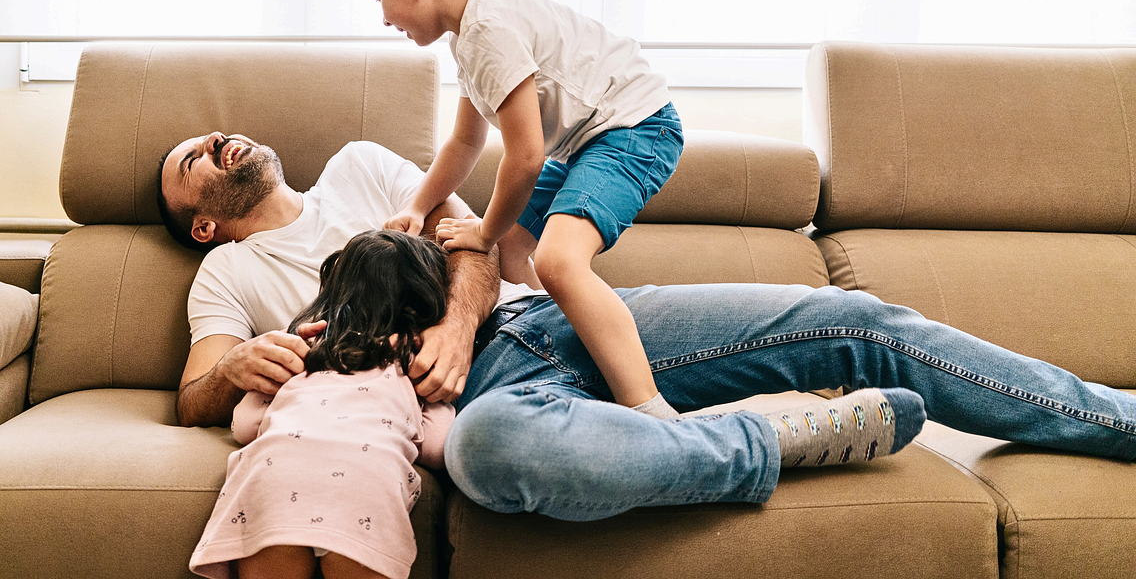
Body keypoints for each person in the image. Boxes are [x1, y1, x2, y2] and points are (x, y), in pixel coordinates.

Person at [160, 131, 1136, 528]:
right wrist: (236, 365)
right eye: (191, 161)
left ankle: (1116, 421)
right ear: (200, 221)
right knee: (490, 456)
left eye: (214, 136)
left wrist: (457, 325)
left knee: (857, 322)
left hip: (547, 324)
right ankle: (772, 439)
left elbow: (478, 250)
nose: (216, 141)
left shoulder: (361, 167)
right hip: (484, 408)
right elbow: (196, 392)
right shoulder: (226, 274)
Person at [357, 0, 685, 418]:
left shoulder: (488, 30)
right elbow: (466, 140)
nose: (384, 18)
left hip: (636, 127)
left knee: (556, 260)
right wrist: (418, 206)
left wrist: (483, 231)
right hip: (590, 140)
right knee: (512, 248)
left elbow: (527, 156)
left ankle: (650, 410)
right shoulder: (469, 36)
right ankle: (558, 350)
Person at [190, 229, 456, 579]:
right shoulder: (412, 365)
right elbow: (437, 447)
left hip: (276, 477)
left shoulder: (300, 354)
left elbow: (244, 424)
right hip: (366, 484)